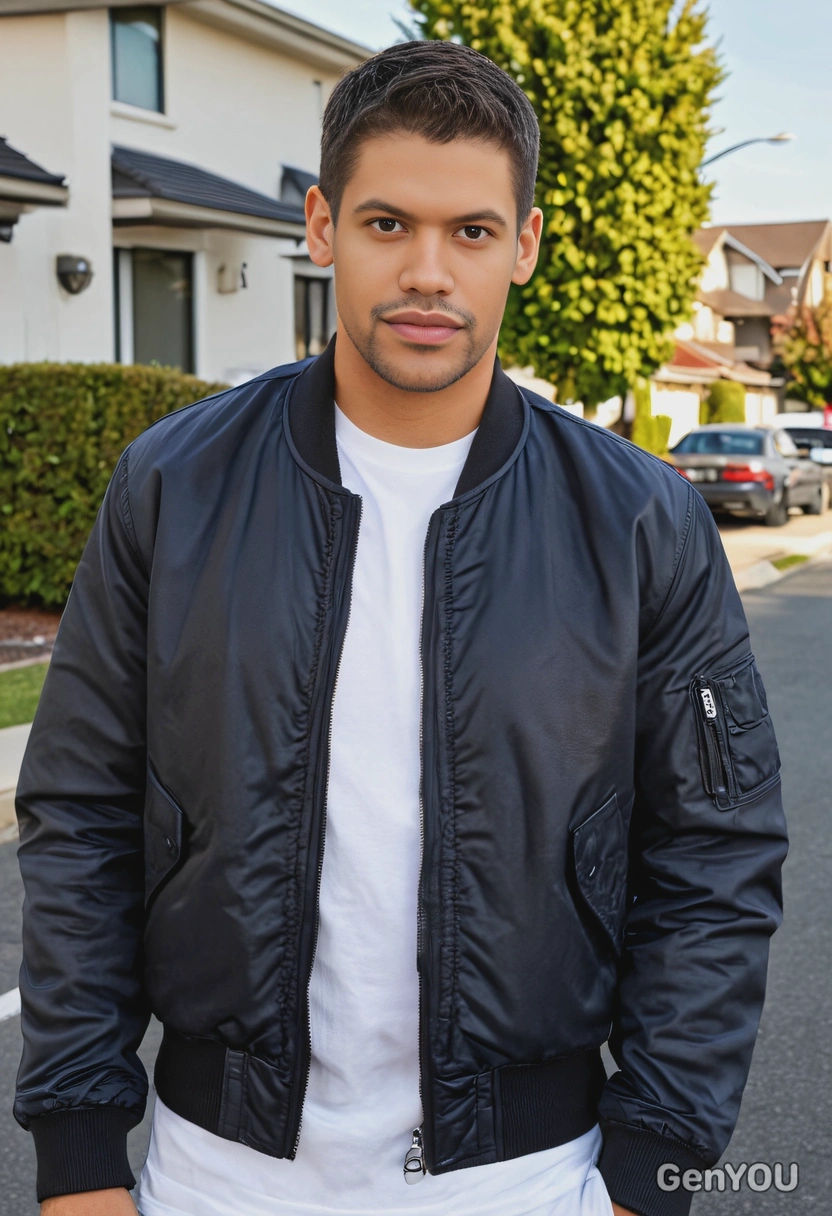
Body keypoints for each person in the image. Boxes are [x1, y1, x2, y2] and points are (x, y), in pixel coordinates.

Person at [15, 39, 787, 1216]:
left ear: (522, 247)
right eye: (388, 224)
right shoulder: (173, 486)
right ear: (322, 228)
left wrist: (653, 1175)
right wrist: (76, 1161)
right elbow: (79, 813)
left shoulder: (638, 519)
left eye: (471, 231)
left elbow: (714, 856)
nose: (428, 270)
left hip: (534, 1177)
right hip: (215, 1175)